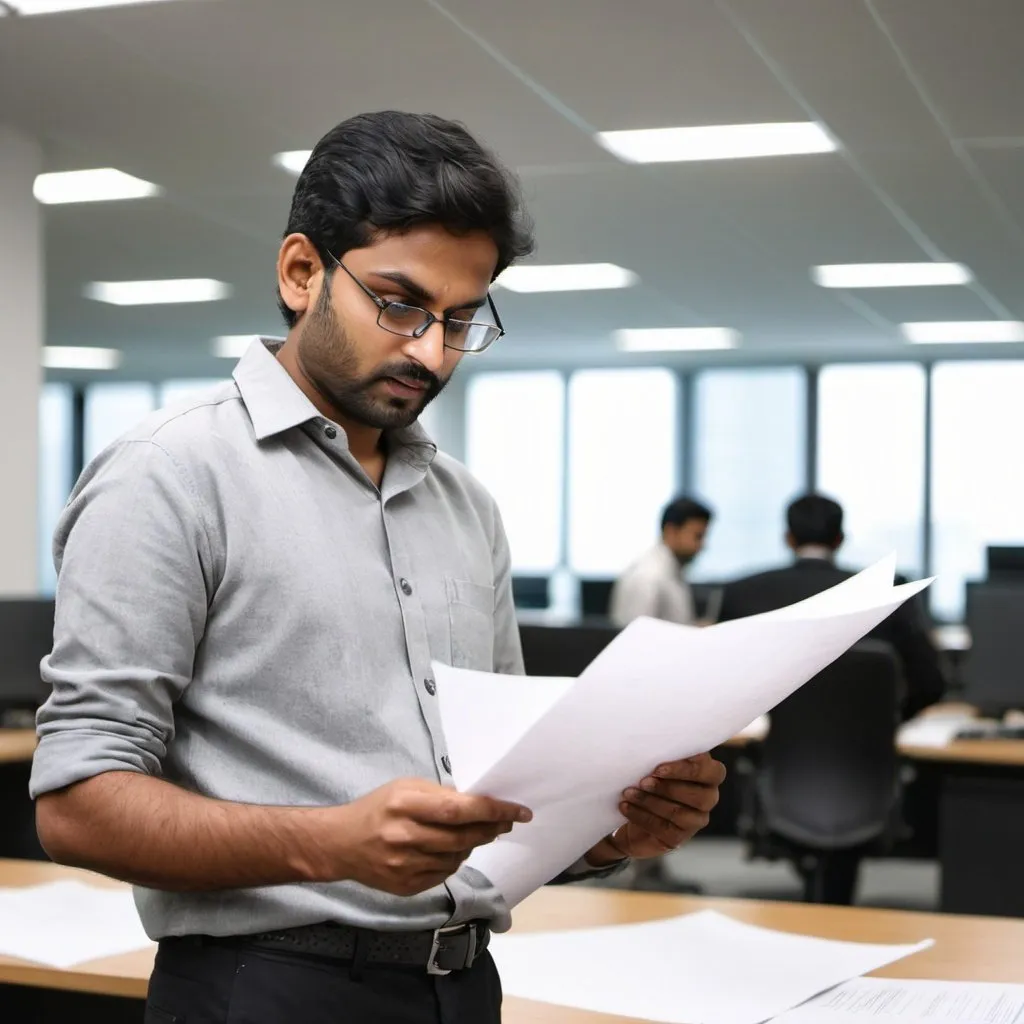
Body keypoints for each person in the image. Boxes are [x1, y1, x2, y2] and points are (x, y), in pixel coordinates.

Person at [30, 111, 725, 1024]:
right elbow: (76, 804)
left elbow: (505, 793)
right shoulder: (169, 474)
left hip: (462, 986)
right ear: (300, 272)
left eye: (461, 319)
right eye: (399, 305)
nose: (431, 351)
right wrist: (330, 844)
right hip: (268, 989)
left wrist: (610, 831)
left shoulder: (468, 508)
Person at [718, 494, 948, 721]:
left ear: (788, 538)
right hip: (869, 747)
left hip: (764, 751)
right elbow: (930, 684)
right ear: (840, 539)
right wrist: (887, 722)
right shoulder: (888, 590)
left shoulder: (740, 594)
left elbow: (719, 685)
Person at [610, 496, 713, 627]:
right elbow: (637, 637)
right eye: (697, 536)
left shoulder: (672, 569)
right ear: (671, 532)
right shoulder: (648, 576)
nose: (702, 545)